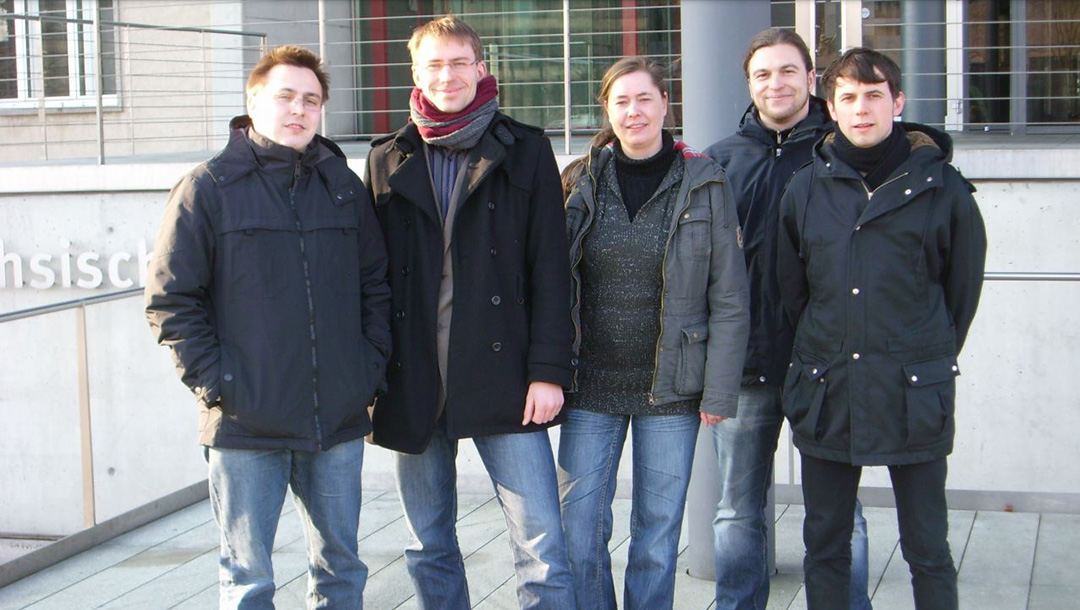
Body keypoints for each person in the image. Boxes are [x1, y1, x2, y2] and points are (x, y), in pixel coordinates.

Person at [145, 45, 390, 609]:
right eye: (284, 96)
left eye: (311, 99)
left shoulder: (345, 188)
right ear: (254, 101)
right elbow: (171, 299)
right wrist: (220, 386)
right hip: (244, 422)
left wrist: (366, 370)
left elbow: (376, 288)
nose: (298, 109)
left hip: (337, 419)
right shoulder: (208, 188)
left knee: (341, 569)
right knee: (248, 579)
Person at [363, 15, 576, 610]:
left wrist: (549, 370)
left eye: (459, 62)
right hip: (414, 381)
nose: (447, 75)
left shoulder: (526, 148)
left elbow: (551, 270)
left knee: (542, 545)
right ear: (415, 73)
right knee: (427, 543)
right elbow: (371, 281)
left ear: (482, 69)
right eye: (434, 64)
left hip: (506, 378)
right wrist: (373, 373)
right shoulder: (386, 157)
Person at [777, 48, 986, 610]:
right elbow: (791, 292)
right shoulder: (804, 189)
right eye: (848, 97)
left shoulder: (946, 190)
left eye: (874, 96)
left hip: (913, 391)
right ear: (831, 107)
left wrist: (919, 352)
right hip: (828, 388)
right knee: (825, 545)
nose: (861, 109)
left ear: (897, 102)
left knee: (927, 547)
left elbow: (959, 298)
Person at [559, 56, 750, 610]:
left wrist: (718, 391)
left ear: (666, 105)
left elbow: (730, 298)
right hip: (590, 387)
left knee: (657, 536)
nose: (634, 111)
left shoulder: (705, 184)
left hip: (670, 391)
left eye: (644, 99)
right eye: (621, 101)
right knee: (579, 530)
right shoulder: (579, 180)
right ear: (608, 110)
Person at [703, 28, 873, 610]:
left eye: (787, 71)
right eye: (763, 74)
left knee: (839, 511)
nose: (775, 83)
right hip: (745, 366)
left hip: (827, 363)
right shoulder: (720, 159)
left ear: (810, 78)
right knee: (736, 512)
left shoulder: (844, 148)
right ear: (749, 84)